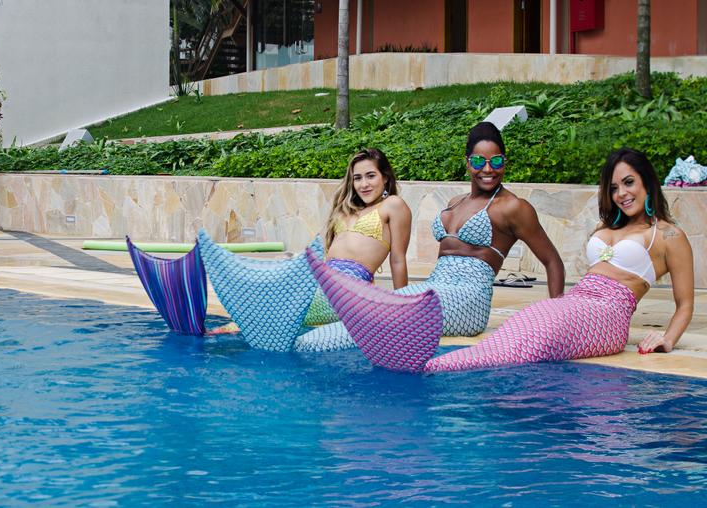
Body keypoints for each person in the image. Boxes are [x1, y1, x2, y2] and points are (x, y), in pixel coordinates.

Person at [415, 147, 694, 372]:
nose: (621, 194)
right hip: (576, 301)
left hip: (610, 314)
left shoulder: (668, 235)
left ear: (648, 180)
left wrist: (667, 339)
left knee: (535, 337)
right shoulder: (606, 228)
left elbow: (685, 304)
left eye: (629, 182)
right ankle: (435, 367)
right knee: (520, 325)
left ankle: (433, 368)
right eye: (613, 188)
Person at [296, 121, 565, 352]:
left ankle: (311, 346)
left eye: (496, 161)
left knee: (375, 316)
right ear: (467, 162)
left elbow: (553, 261)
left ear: (504, 162)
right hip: (435, 289)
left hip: (468, 299)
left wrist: (557, 322)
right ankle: (311, 347)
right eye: (478, 161)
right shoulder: (456, 202)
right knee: (373, 314)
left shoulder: (513, 207)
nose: (487, 169)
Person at [301, 148, 412, 326]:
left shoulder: (392, 205)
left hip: (350, 288)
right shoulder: (345, 210)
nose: (364, 184)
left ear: (385, 177)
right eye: (357, 178)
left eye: (370, 176)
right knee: (278, 296)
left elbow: (398, 260)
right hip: (323, 282)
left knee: (285, 308)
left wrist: (403, 307)